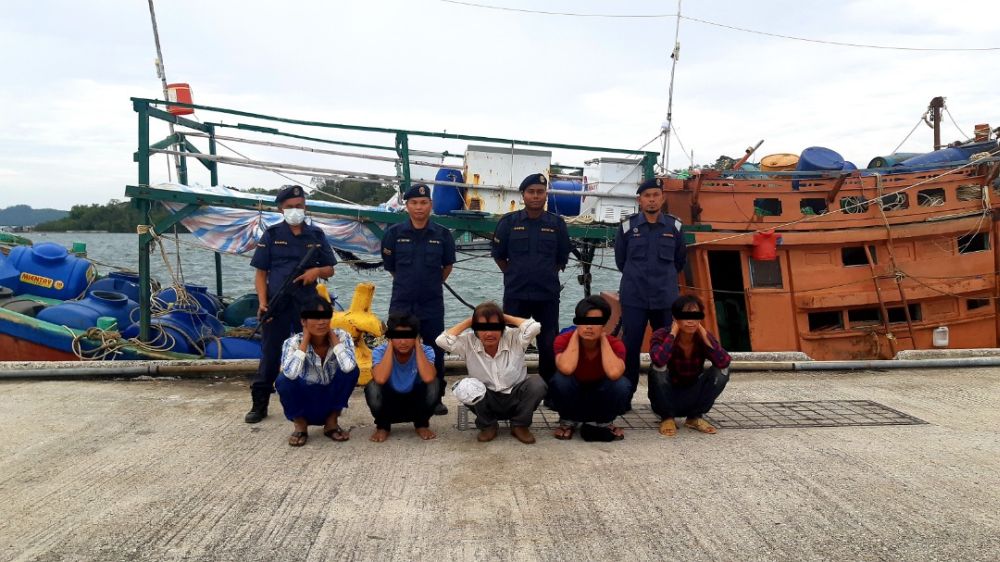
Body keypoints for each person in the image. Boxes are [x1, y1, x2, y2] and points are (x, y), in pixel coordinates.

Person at [246, 185, 337, 424]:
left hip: (307, 304)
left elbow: (330, 268)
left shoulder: (316, 235)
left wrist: (315, 271)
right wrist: (263, 303)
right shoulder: (272, 235)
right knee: (270, 353)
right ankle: (260, 403)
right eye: (289, 207)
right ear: (280, 209)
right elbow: (261, 273)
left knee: (310, 351)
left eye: (299, 206)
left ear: (305, 207)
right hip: (277, 302)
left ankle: (311, 401)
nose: (294, 210)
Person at [381, 183, 456, 416]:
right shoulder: (393, 234)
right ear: (407, 206)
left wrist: (428, 284)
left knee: (436, 348)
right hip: (402, 302)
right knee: (398, 347)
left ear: (430, 205)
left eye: (424, 202)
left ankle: (436, 397)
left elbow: (447, 267)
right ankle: (396, 395)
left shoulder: (443, 235)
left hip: (432, 302)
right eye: (414, 202)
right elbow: (391, 268)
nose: (419, 207)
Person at [613, 177, 687, 406]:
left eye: (656, 195)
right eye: (647, 196)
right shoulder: (627, 227)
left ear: (662, 198)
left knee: (664, 350)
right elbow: (621, 261)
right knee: (630, 348)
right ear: (639, 200)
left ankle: (661, 401)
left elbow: (679, 261)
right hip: (634, 297)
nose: (652, 200)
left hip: (664, 298)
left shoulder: (674, 227)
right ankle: (625, 398)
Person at [492, 173, 571, 383]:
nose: (536, 196)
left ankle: (549, 389)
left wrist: (542, 274)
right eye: (531, 192)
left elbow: (561, 259)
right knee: (512, 342)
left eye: (540, 192)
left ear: (546, 195)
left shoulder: (557, 224)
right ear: (523, 195)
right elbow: (499, 256)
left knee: (548, 343)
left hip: (546, 295)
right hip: (516, 294)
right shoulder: (508, 223)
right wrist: (514, 273)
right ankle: (510, 384)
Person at [436, 302, 547, 444]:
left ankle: (520, 425)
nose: (489, 333)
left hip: (515, 396)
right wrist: (471, 320)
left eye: (494, 327)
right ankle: (488, 425)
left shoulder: (514, 337)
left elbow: (535, 327)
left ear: (502, 328)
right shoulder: (468, 341)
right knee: (463, 387)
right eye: (482, 328)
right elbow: (441, 341)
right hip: (487, 399)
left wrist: (504, 317)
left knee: (538, 384)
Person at [274, 296, 359, 446]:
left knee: (352, 371)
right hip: (305, 398)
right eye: (315, 318)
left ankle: (332, 423)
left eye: (325, 317)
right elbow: (290, 374)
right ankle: (300, 425)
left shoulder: (342, 336)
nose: (321, 322)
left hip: (330, 398)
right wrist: (305, 342)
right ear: (303, 321)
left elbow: (349, 367)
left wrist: (333, 338)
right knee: (282, 380)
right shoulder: (292, 342)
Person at [549, 295, 630, 441]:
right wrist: (575, 335)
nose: (589, 326)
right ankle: (568, 421)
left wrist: (603, 339)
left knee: (622, 384)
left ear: (604, 324)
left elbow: (614, 373)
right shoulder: (563, 340)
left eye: (596, 322)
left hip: (600, 395)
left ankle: (604, 422)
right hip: (575, 395)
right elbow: (566, 368)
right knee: (560, 380)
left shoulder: (615, 344)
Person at [648, 295, 731, 436]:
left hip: (692, 394)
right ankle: (667, 418)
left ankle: (694, 417)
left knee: (722, 370)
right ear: (675, 317)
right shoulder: (661, 335)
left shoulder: (702, 337)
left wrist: (704, 334)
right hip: (666, 396)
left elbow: (724, 361)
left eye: (695, 316)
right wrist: (673, 333)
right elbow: (658, 360)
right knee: (658, 368)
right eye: (685, 316)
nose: (691, 321)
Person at [366, 312, 440, 442]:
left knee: (435, 384)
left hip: (416, 401)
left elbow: (428, 377)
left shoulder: (426, 350)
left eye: (408, 336)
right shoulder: (380, 351)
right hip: (389, 401)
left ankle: (421, 424)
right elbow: (380, 379)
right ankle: (383, 426)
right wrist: (390, 344)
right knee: (372, 387)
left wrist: (417, 345)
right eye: (398, 336)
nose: (403, 341)